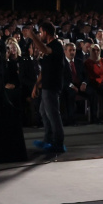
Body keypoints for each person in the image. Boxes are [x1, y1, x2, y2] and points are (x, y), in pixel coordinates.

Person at [27, 22, 65, 153]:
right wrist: (36, 85)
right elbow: (44, 70)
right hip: (46, 85)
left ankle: (58, 143)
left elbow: (44, 50)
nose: (40, 35)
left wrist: (33, 36)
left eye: (41, 32)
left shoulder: (56, 45)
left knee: (53, 114)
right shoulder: (50, 46)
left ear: (46, 32)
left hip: (52, 85)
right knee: (44, 112)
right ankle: (48, 140)